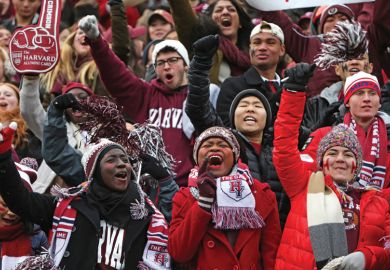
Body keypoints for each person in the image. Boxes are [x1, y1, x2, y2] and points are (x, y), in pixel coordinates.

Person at [0, 124, 171, 269]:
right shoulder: (68, 204)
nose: (121, 164)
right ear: (94, 171)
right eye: (111, 159)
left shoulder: (147, 216)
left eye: (124, 159)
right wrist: (4, 158)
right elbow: (21, 201)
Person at [273, 63, 390, 269]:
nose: (340, 159)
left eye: (372, 93)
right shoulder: (307, 184)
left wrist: (367, 257)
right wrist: (293, 92)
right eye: (359, 93)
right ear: (346, 100)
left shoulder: (377, 204)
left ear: (357, 165)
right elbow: (285, 152)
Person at [186, 34, 290, 227]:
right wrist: (200, 63)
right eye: (243, 105)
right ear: (232, 118)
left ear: (267, 119)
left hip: (277, 234)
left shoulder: (281, 147)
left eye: (257, 106)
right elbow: (197, 107)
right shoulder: (224, 143)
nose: (250, 108)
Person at [79, 15, 194, 187]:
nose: (167, 66)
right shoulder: (146, 94)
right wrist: (96, 41)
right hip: (149, 186)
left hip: (187, 187)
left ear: (186, 65)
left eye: (173, 60)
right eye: (160, 63)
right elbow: (116, 75)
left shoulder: (199, 97)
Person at [169, 126, 281, 269]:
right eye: (207, 145)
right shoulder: (184, 197)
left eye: (223, 145)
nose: (214, 148)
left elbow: (271, 253)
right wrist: (203, 203)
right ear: (197, 158)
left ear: (235, 156)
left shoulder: (261, 194)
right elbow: (179, 252)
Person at [253, 1, 390, 95]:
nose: (337, 23)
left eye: (343, 18)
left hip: (370, 111)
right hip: (322, 119)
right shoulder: (307, 45)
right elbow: (280, 21)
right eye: (330, 20)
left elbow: (382, 15)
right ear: (320, 28)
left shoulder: (367, 40)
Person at [216, 20, 285, 127]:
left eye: (270, 42)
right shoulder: (232, 86)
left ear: (282, 49)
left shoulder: (290, 88)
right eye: (257, 42)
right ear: (250, 49)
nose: (262, 48)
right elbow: (227, 129)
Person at [168, 0, 252, 85]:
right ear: (210, 21)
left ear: (240, 23)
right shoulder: (201, 46)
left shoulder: (252, 53)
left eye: (231, 10)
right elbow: (182, 14)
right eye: (219, 10)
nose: (225, 12)